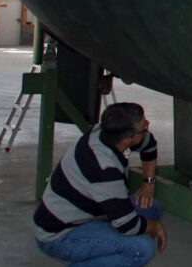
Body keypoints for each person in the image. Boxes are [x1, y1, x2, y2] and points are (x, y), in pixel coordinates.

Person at [33, 102, 167, 265]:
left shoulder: (105, 133)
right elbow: (127, 225)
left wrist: (148, 183)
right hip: (59, 235)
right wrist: (156, 226)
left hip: (90, 213)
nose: (147, 124)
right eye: (144, 125)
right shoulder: (104, 168)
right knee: (141, 248)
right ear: (128, 139)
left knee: (152, 208)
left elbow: (149, 145)